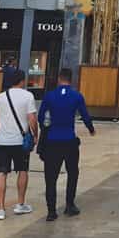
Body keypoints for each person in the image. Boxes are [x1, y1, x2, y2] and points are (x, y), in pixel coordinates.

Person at [38, 68, 95, 222]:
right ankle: (69, 204)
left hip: (52, 140)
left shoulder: (50, 96)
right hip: (69, 140)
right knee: (72, 172)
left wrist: (46, 128)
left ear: (59, 78)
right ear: (71, 79)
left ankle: (51, 211)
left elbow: (41, 116)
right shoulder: (76, 96)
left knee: (51, 176)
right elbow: (84, 115)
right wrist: (91, 129)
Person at [0, 69, 38, 219]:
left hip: (2, 140)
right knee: (22, 170)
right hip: (20, 141)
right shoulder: (28, 96)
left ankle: (1, 209)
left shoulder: (1, 96)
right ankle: (20, 204)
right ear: (22, 81)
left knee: (2, 173)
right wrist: (35, 135)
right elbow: (32, 118)